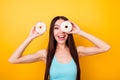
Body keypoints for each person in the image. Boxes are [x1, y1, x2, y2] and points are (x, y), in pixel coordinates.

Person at [8, 16, 111, 80]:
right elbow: (13, 59)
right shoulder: (45, 54)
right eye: (56, 28)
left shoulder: (77, 51)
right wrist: (30, 37)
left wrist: (80, 32)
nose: (61, 32)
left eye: (64, 27)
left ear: (69, 30)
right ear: (52, 32)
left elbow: (105, 47)